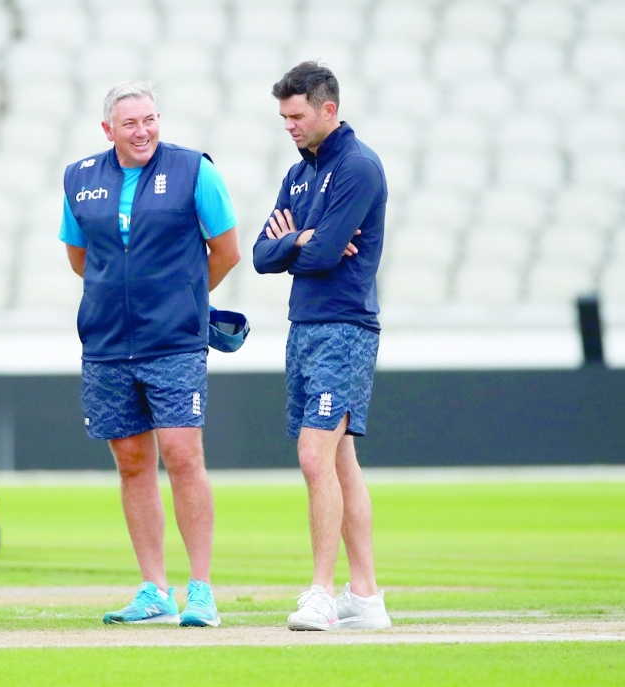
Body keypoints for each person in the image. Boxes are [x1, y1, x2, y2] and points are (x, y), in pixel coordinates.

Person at [60, 81, 241, 627]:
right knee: (132, 465)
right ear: (107, 129)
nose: (143, 131)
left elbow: (227, 252)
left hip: (174, 343)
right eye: (131, 123)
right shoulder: (78, 178)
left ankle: (202, 591)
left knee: (184, 457)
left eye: (150, 120)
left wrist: (181, 300)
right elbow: (79, 260)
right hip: (108, 344)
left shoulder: (195, 170)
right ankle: (154, 589)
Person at [252, 62, 391, 631]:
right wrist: (299, 241)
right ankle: (367, 597)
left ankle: (321, 593)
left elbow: (324, 256)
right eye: (283, 116)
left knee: (314, 455)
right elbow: (261, 257)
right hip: (304, 325)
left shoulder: (358, 167)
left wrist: (298, 241)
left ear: (328, 110)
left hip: (343, 325)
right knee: (340, 462)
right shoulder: (298, 173)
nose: (288, 125)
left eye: (296, 116)